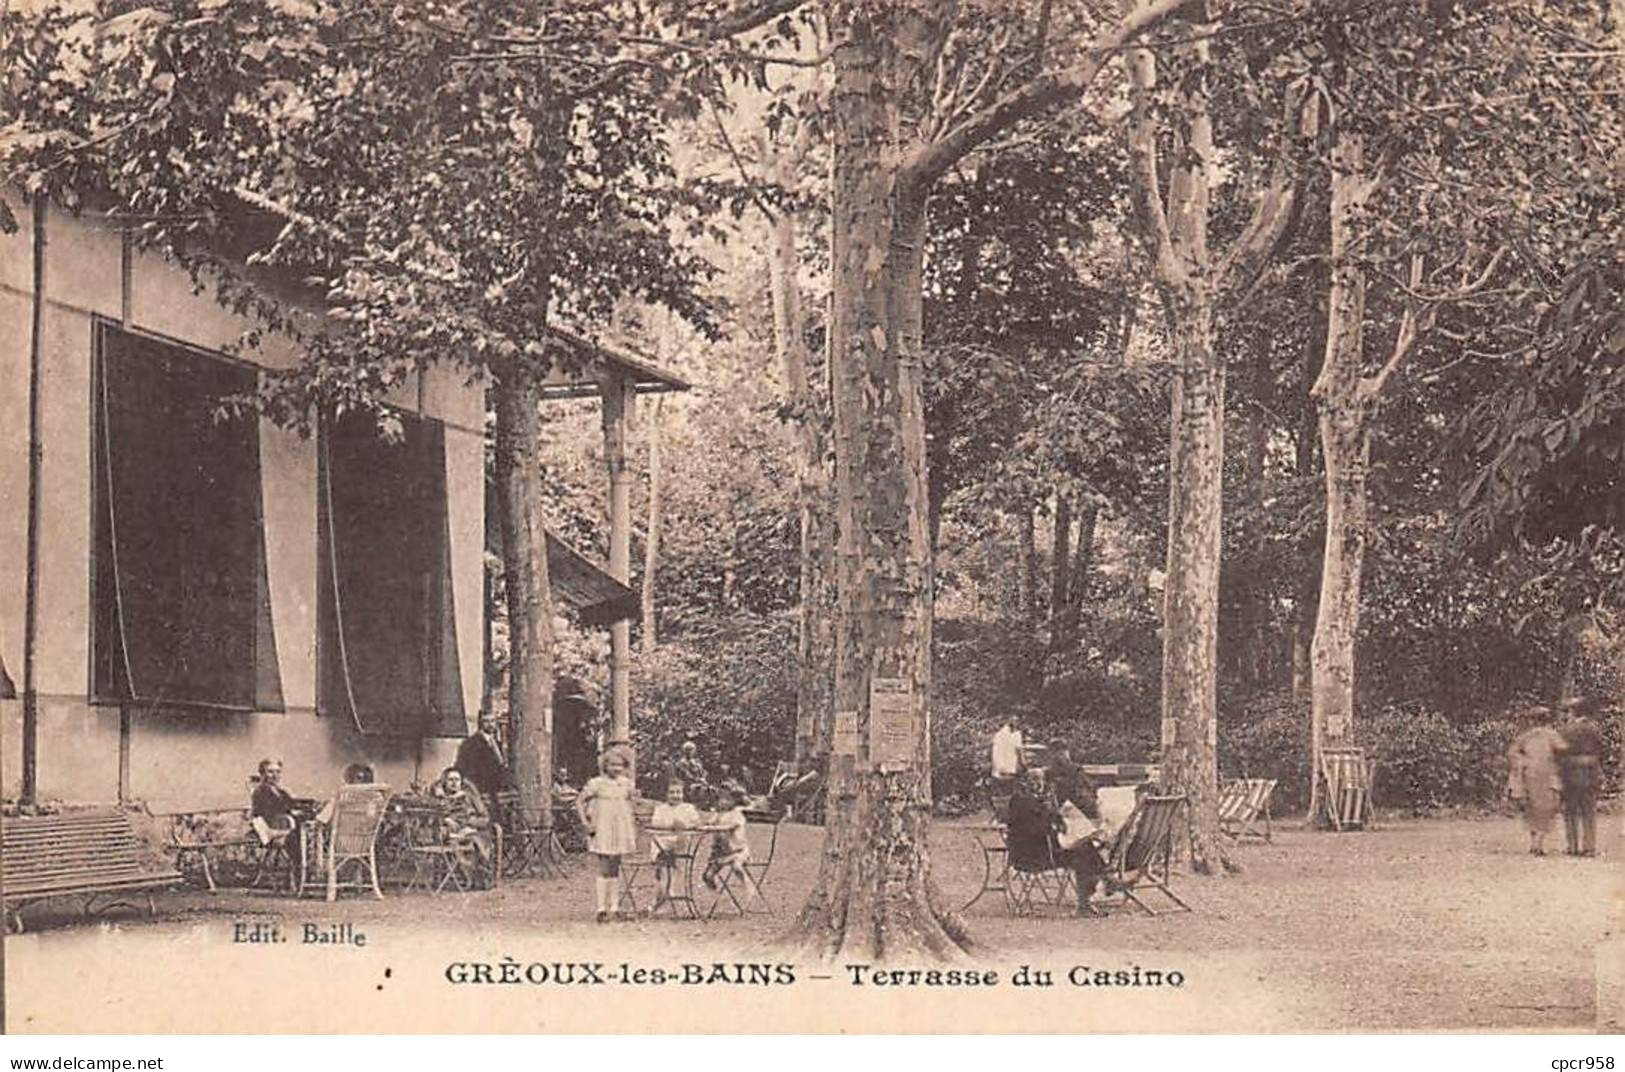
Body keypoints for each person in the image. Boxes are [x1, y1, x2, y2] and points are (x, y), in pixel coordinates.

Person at [1006, 768, 1107, 916]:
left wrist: (1058, 821)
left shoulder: (1039, 800)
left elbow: (1052, 821)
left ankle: (1089, 899)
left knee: (1086, 849)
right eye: (1033, 780)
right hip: (1031, 855)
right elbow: (1034, 830)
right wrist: (1054, 825)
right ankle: (1094, 894)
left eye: (1040, 780)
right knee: (1084, 853)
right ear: (1025, 782)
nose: (1037, 783)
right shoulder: (1021, 801)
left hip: (1045, 849)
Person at [577, 748, 637, 922]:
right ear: (605, 765)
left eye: (619, 765)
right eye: (612, 764)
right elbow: (580, 801)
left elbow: (632, 804)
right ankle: (601, 908)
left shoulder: (626, 783)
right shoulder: (597, 783)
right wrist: (585, 823)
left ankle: (615, 907)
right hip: (602, 826)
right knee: (604, 866)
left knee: (615, 866)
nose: (616, 768)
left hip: (619, 828)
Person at [1506, 712, 1566, 855]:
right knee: (1546, 809)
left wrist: (1521, 764)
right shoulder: (1552, 735)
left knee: (1531, 809)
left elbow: (1512, 753)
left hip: (1529, 775)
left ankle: (1534, 842)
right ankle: (1538, 843)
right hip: (1547, 775)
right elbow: (1563, 751)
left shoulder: (1526, 736)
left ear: (1532, 720)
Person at [1557, 703, 1605, 857]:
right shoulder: (1594, 729)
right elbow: (1602, 749)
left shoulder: (1566, 730)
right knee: (1589, 810)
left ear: (1574, 712)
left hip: (1570, 772)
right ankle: (1589, 847)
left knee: (1570, 810)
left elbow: (1559, 752)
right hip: (1590, 771)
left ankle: (1572, 847)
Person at [432, 767, 495, 880]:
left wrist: (470, 826)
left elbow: (485, 818)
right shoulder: (440, 799)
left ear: (461, 782)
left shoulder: (470, 797)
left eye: (457, 780)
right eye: (450, 780)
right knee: (450, 839)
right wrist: (445, 819)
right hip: (450, 834)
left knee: (473, 842)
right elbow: (433, 817)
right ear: (445, 782)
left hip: (473, 832)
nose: (454, 783)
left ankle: (472, 877)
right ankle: (462, 877)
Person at [250, 758, 306, 881]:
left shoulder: (280, 790)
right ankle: (300, 873)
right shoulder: (260, 791)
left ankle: (304, 870)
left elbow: (292, 804)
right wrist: (289, 813)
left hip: (283, 825)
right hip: (271, 828)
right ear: (263, 774)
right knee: (297, 837)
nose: (275, 775)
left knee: (306, 833)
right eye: (270, 772)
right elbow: (264, 813)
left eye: (278, 772)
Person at [649, 780, 703, 901]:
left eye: (678, 792)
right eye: (671, 792)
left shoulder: (688, 808)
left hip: (681, 843)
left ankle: (667, 889)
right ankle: (663, 889)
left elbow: (697, 823)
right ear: (666, 795)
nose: (675, 795)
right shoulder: (661, 809)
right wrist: (670, 825)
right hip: (663, 841)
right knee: (662, 856)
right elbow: (655, 824)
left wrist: (684, 825)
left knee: (674, 856)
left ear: (683, 794)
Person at [701, 783, 752, 903]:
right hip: (721, 853)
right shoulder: (718, 815)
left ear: (734, 801)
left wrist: (715, 828)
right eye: (720, 799)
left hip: (738, 851)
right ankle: (715, 895)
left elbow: (730, 827)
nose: (723, 802)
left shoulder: (737, 815)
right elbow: (709, 822)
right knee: (707, 875)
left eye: (727, 799)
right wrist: (705, 825)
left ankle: (747, 885)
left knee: (737, 866)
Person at [455, 712, 512, 801]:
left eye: (492, 721)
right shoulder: (471, 743)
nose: (490, 725)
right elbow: (464, 767)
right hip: (481, 791)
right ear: (480, 723)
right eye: (486, 721)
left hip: (496, 791)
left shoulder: (497, 743)